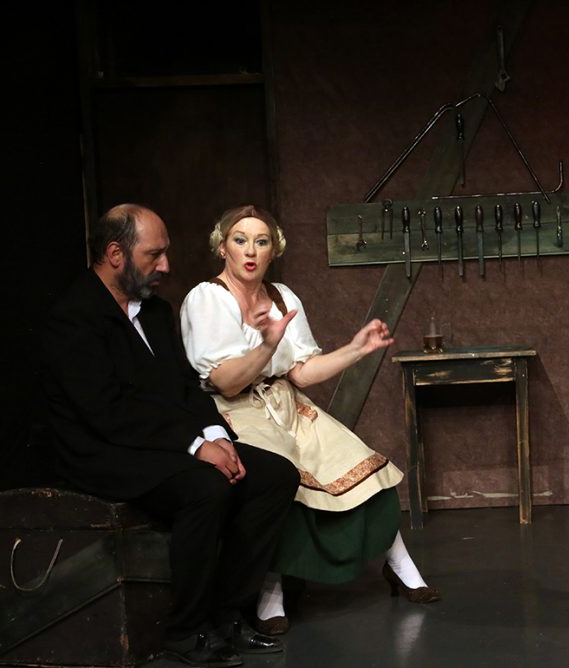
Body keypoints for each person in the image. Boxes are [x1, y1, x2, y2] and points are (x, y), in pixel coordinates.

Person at [42, 204, 300, 668]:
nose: (165, 265)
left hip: (161, 441)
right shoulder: (73, 316)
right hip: (101, 450)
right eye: (154, 255)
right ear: (116, 254)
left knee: (275, 475)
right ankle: (185, 630)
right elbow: (107, 413)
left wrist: (218, 435)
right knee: (206, 486)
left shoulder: (157, 312)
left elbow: (185, 385)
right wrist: (196, 446)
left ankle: (228, 614)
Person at [179, 204, 440, 634]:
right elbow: (226, 380)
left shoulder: (283, 297)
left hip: (285, 400)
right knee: (280, 477)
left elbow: (302, 372)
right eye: (240, 240)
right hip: (234, 409)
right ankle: (271, 589)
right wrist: (266, 345)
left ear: (273, 250)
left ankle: (399, 564)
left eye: (261, 241)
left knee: (358, 461)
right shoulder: (207, 299)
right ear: (222, 247)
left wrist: (355, 349)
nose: (251, 251)